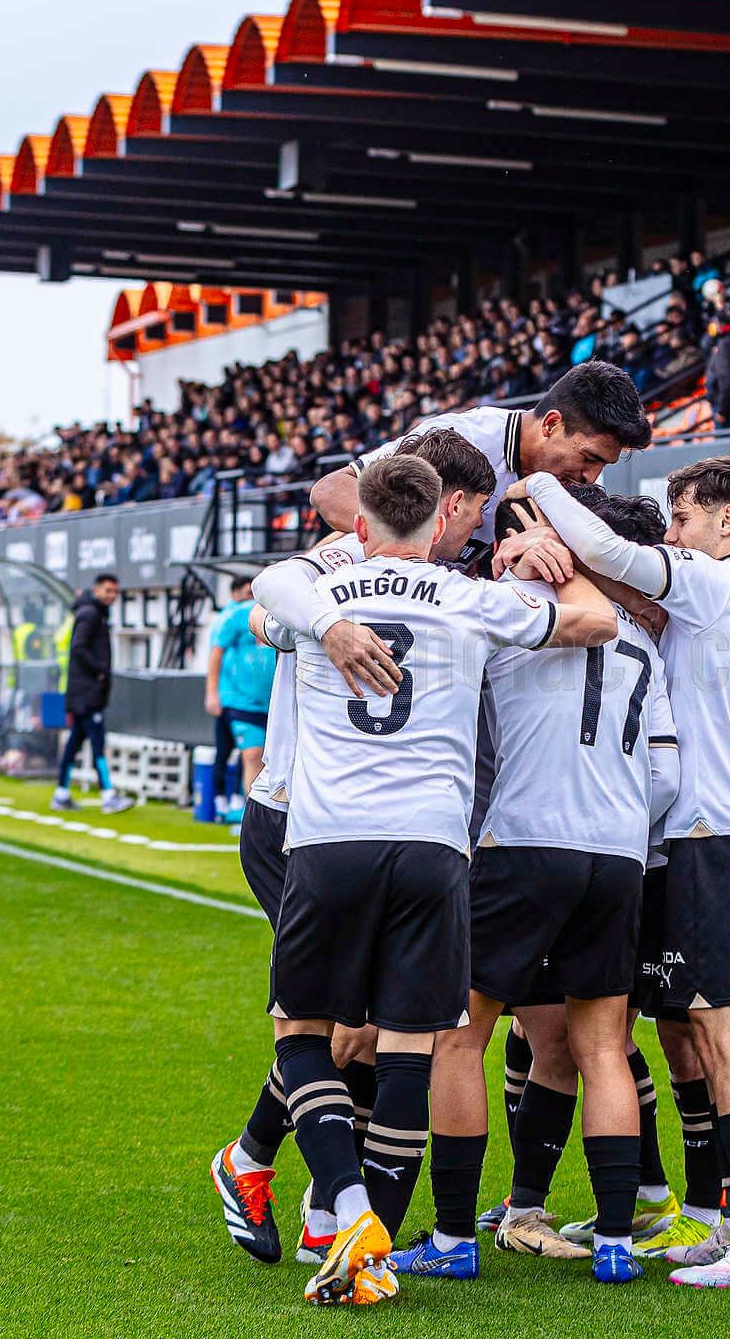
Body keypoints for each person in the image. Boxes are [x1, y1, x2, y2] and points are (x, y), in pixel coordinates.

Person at [262, 455, 615, 1308]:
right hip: (434, 847)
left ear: (358, 525)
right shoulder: (472, 599)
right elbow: (593, 623)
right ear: (441, 523)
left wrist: (329, 619)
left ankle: (348, 1209)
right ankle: (371, 1251)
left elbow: (267, 593)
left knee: (302, 1031)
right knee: (411, 1048)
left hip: (329, 840)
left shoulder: (321, 594)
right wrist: (544, 552)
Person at [216, 429, 499, 1271]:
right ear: (443, 503)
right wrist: (327, 623)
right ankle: (313, 1195)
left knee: (374, 1029)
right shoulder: (339, 563)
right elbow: (268, 608)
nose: (474, 528)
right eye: (473, 510)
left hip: (374, 827)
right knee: (349, 1027)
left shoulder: (448, 585)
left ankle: (295, 1185)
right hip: (300, 815)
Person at [522, 455, 730, 1290]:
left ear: (727, 521)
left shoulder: (716, 584)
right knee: (684, 1030)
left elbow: (608, 550)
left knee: (722, 1032)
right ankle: (720, 1221)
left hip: (715, 832)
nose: (673, 533)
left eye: (683, 518)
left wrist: (536, 486)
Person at [397, 485, 678, 1285]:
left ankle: (453, 1240)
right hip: (618, 855)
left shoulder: (504, 604)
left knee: (461, 1036)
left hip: (525, 841)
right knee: (602, 1048)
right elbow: (664, 773)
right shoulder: (643, 644)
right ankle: (618, 1242)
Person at [309, 360, 650, 575]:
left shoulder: (568, 485)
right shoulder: (461, 439)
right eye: (589, 458)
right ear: (551, 425)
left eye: (603, 465)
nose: (590, 477)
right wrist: (416, 547)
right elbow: (330, 491)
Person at [52, 574, 131, 814]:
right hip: (87, 693)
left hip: (83, 692)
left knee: (75, 742)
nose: (112, 595)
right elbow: (78, 647)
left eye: (115, 591)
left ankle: (61, 793)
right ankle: (108, 795)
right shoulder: (90, 614)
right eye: (108, 590)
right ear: (96, 590)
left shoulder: (91, 612)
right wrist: (100, 671)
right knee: (97, 743)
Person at [204, 574, 275, 824]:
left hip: (273, 703)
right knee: (251, 755)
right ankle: (246, 817)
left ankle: (257, 814)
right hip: (240, 700)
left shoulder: (282, 612)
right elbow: (216, 652)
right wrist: (212, 693)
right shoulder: (236, 615)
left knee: (268, 759)